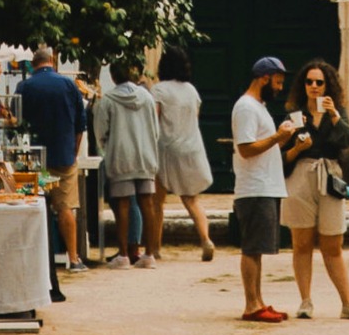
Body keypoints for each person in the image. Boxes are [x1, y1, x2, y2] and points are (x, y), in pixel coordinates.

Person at [280, 58, 349, 319]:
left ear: (328, 85)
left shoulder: (337, 111)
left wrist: (334, 115)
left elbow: (348, 139)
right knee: (301, 243)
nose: (314, 86)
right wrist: (298, 148)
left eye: (319, 82)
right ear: (303, 85)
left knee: (333, 243)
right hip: (300, 176)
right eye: (309, 82)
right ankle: (305, 301)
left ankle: (348, 303)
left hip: (329, 176)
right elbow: (282, 155)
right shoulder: (295, 116)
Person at [17, 42, 91, 273]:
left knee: (34, 206)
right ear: (52, 61)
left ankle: (35, 260)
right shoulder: (68, 85)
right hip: (63, 155)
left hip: (32, 158)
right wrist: (73, 152)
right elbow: (81, 125)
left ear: (33, 64)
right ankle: (74, 258)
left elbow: (17, 122)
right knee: (65, 207)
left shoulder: (24, 86)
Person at [230, 53, 292, 320]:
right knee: (252, 248)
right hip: (255, 186)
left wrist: (284, 140)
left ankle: (258, 300)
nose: (280, 87)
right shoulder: (246, 107)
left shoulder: (258, 107)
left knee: (258, 249)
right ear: (264, 78)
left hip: (265, 185)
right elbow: (246, 149)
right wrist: (277, 136)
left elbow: (262, 145)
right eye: (277, 82)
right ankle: (251, 305)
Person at [95, 57, 162, 266]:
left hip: (121, 156)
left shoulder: (108, 100)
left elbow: (101, 131)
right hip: (145, 155)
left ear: (113, 77)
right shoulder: (147, 97)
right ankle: (149, 254)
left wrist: (107, 147)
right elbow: (155, 128)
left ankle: (123, 254)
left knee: (122, 204)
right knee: (147, 203)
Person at [152, 45, 216, 259]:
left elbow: (154, 120)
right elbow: (195, 118)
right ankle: (205, 239)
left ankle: (155, 248)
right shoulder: (191, 90)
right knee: (191, 199)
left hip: (166, 149)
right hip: (191, 147)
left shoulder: (159, 90)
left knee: (157, 202)